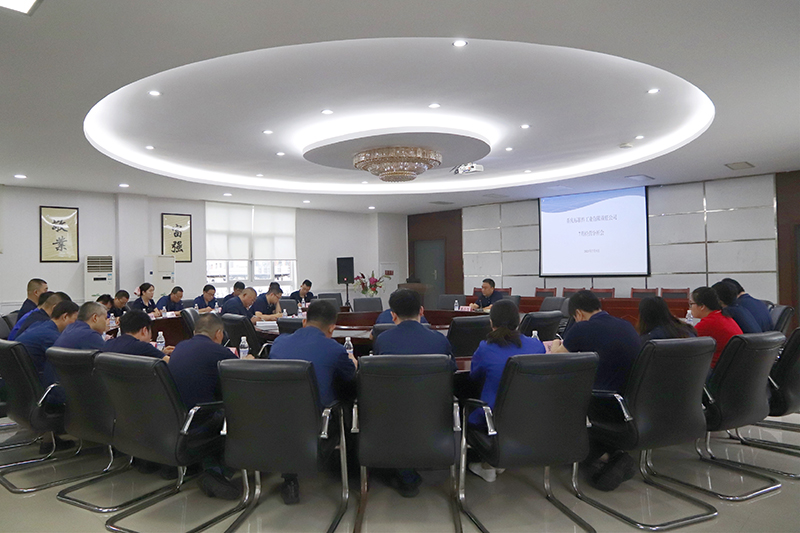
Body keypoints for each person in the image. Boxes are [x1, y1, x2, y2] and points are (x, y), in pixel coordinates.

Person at [551, 290, 641, 492]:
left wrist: (556, 342)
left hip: (601, 404)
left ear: (578, 314)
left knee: (558, 398)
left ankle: (605, 456)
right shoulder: (626, 325)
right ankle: (611, 455)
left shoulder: (582, 327)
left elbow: (558, 356)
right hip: (629, 404)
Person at [269, 299, 358, 505]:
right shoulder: (335, 349)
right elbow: (350, 378)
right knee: (349, 400)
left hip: (278, 421)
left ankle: (290, 478)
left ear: (304, 322)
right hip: (319, 426)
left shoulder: (279, 343)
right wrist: (353, 363)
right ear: (332, 328)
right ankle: (349, 469)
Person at [372, 288, 454, 498]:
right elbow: (451, 373)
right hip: (434, 415)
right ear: (422, 311)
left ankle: (405, 474)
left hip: (393, 415)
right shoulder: (440, 340)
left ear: (393, 315)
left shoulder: (383, 340)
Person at [168, 313, 253, 500]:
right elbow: (242, 376)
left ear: (195, 332)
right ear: (219, 334)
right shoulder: (217, 351)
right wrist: (249, 361)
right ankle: (217, 471)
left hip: (175, 422)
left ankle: (210, 469)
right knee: (243, 415)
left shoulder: (180, 346)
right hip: (199, 423)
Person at [467, 299, 545, 483]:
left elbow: (473, 377)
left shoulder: (485, 348)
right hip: (530, 417)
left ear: (491, 322)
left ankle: (488, 465)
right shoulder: (537, 346)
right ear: (518, 321)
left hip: (492, 420)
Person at [16, 300, 80, 406]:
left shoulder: (39, 325)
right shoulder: (51, 336)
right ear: (65, 317)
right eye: (75, 320)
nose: (76, 325)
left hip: (20, 386)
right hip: (39, 390)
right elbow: (68, 361)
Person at [690, 286, 743, 370]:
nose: (690, 308)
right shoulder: (724, 317)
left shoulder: (708, 323)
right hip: (733, 368)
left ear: (702, 306)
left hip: (717, 370)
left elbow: (686, 343)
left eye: (691, 304)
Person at [103, 310, 173, 359]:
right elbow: (171, 364)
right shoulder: (144, 347)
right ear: (144, 330)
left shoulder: (107, 344)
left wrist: (160, 352)